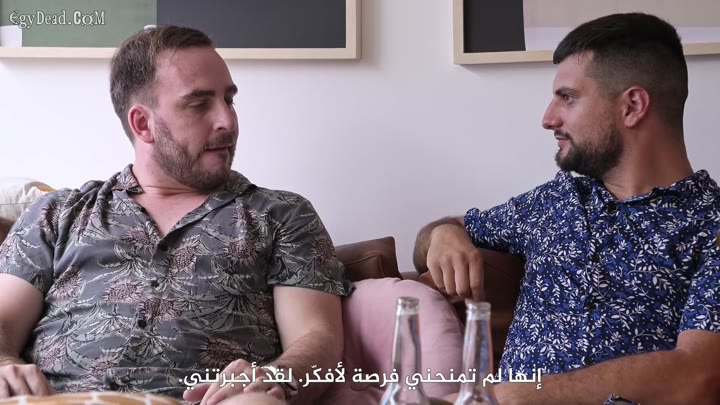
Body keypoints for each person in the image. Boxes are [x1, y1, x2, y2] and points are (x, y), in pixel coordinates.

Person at [0, 25, 352, 405]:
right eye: (200, 104)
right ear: (142, 124)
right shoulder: (57, 214)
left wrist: (274, 378)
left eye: (229, 100)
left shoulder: (281, 214)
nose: (227, 121)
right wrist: (4, 365)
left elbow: (317, 337)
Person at [414, 13, 720, 404]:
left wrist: (515, 396)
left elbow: (699, 375)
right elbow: (436, 238)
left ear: (632, 106)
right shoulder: (554, 202)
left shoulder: (710, 225)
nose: (548, 118)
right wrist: (444, 234)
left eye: (568, 97)